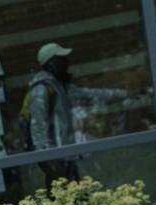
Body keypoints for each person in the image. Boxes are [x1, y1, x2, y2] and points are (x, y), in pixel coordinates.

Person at [25, 42, 132, 193]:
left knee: (77, 201)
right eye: (61, 59)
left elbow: (90, 95)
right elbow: (38, 130)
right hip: (56, 163)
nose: (66, 62)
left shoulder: (60, 87)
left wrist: (122, 94)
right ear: (51, 64)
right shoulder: (41, 90)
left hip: (67, 159)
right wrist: (50, 163)